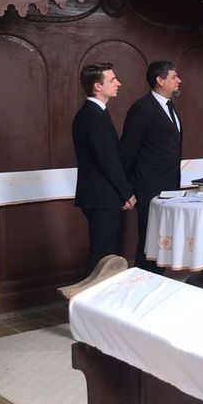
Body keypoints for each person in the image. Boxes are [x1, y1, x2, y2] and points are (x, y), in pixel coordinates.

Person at [72, 63, 136, 274]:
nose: (118, 83)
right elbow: (108, 161)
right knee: (103, 254)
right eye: (112, 80)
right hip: (101, 196)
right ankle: (93, 300)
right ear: (97, 86)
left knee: (105, 251)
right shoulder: (93, 116)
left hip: (100, 195)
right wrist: (127, 193)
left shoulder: (94, 113)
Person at [120, 60, 184, 271]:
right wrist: (126, 190)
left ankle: (159, 285)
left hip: (169, 187)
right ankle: (142, 287)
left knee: (164, 241)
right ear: (160, 80)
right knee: (150, 242)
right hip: (148, 188)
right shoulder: (141, 109)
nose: (179, 80)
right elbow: (128, 150)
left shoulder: (169, 106)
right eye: (174, 77)